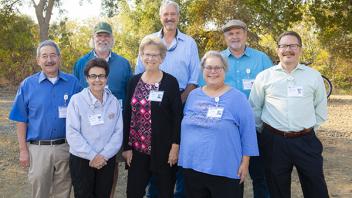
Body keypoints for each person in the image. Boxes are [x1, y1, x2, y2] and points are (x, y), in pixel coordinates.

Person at [249, 31, 329, 198]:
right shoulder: (264, 77)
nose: (288, 50)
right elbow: (255, 108)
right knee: (277, 190)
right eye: (284, 46)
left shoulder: (313, 76)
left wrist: (304, 129)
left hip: (306, 141)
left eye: (293, 46)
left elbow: (320, 109)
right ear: (278, 50)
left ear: (300, 49)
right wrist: (267, 131)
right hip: (274, 142)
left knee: (316, 189)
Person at [199, 19, 273, 198]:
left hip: (257, 128)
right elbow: (204, 91)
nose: (234, 36)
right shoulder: (217, 61)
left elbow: (273, 89)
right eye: (230, 33)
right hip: (226, 131)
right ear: (225, 37)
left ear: (245, 35)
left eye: (238, 32)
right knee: (231, 177)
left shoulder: (261, 59)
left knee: (261, 176)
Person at [135, 1, 200, 197]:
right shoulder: (149, 40)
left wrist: (176, 102)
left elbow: (194, 79)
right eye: (166, 14)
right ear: (160, 17)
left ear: (178, 17)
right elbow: (139, 75)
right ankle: (154, 192)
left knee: (179, 148)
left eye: (173, 14)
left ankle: (179, 193)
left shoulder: (189, 43)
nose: (169, 18)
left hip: (182, 100)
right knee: (157, 150)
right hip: (152, 105)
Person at [179, 51, 259, 198]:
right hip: (192, 166)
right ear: (203, 70)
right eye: (208, 67)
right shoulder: (193, 95)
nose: (213, 72)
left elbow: (248, 132)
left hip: (225, 169)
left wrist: (245, 162)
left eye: (218, 67)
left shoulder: (238, 98)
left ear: (224, 70)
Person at [8, 40, 81, 198]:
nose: (49, 60)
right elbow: (21, 120)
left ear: (59, 58)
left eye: (53, 55)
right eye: (45, 56)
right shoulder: (27, 85)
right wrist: (23, 151)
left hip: (66, 147)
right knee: (40, 191)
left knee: (63, 191)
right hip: (39, 149)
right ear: (38, 60)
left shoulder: (73, 83)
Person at [72, 21, 132, 197]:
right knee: (85, 182)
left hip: (112, 128)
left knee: (110, 172)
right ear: (93, 38)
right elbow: (77, 95)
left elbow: (128, 95)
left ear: (112, 39)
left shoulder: (123, 64)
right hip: (86, 132)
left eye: (106, 35)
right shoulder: (81, 62)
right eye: (99, 35)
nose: (103, 39)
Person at [122, 35, 182, 198]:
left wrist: (175, 147)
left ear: (162, 58)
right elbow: (127, 114)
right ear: (141, 56)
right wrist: (126, 147)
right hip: (137, 150)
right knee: (133, 192)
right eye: (147, 54)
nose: (150, 58)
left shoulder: (171, 82)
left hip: (163, 149)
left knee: (164, 192)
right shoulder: (133, 82)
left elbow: (177, 116)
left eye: (155, 55)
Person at [66, 58, 123, 197]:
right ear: (86, 78)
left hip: (106, 159)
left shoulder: (113, 101)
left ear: (107, 78)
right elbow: (72, 132)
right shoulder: (76, 100)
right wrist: (93, 156)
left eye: (101, 76)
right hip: (82, 159)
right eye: (93, 76)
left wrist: (103, 156)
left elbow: (118, 132)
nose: (97, 80)